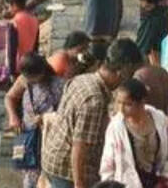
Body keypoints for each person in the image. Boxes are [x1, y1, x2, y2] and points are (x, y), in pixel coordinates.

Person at [41, 38, 145, 188]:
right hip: (66, 171)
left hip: (53, 157)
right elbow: (80, 146)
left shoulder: (82, 79)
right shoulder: (95, 100)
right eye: (132, 72)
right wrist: (79, 184)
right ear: (123, 71)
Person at [99, 78, 168, 188]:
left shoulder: (161, 121)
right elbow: (107, 164)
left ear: (141, 102)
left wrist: (166, 175)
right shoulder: (116, 128)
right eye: (118, 103)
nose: (121, 109)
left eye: (127, 104)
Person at [5, 53, 65, 188]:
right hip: (28, 137)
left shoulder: (59, 85)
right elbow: (10, 97)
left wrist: (46, 118)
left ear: (42, 72)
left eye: (33, 78)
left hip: (50, 139)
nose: (30, 81)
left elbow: (66, 114)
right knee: (29, 176)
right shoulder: (24, 80)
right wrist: (13, 117)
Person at [6, 0, 39, 64]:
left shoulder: (14, 23)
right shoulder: (35, 20)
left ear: (14, 5)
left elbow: (11, 51)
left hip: (19, 65)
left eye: (8, 7)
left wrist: (12, 72)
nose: (8, 10)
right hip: (31, 63)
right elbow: (36, 46)